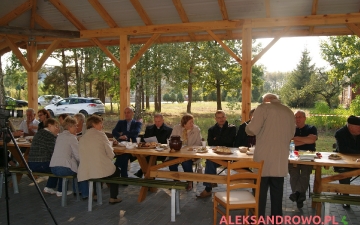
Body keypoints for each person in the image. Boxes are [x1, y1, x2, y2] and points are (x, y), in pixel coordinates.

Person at [245, 93, 295, 222]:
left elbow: (252, 130)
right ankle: (276, 220)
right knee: (277, 193)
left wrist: (247, 126)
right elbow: (291, 133)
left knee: (260, 192)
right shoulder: (288, 111)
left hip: (264, 158)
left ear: (266, 100)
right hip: (280, 159)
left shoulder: (264, 107)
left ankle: (258, 219)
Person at [77, 115, 122, 204]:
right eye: (101, 124)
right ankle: (113, 197)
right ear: (94, 124)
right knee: (116, 171)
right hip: (98, 170)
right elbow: (111, 154)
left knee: (94, 169)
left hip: (86, 171)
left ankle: (96, 194)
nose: (102, 126)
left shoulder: (82, 138)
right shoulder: (101, 135)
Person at [197, 110, 236, 198]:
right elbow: (210, 143)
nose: (221, 119)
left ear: (226, 117)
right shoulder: (211, 129)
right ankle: (209, 187)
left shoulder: (232, 128)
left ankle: (208, 187)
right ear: (215, 119)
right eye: (218, 117)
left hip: (228, 155)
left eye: (222, 117)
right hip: (216, 155)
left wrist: (217, 138)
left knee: (210, 162)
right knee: (210, 161)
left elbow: (230, 141)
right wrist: (221, 139)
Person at [50, 117, 89, 200]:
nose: (77, 128)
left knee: (77, 166)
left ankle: (77, 191)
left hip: (53, 167)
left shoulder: (59, 136)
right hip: (64, 168)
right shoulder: (72, 138)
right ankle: (85, 194)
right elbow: (78, 156)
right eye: (75, 126)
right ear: (69, 127)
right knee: (83, 168)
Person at [27, 118, 68, 195]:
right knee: (62, 167)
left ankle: (49, 187)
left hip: (32, 164)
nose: (58, 129)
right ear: (49, 126)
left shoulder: (40, 133)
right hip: (41, 164)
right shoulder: (49, 136)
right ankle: (61, 191)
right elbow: (55, 152)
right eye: (56, 126)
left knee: (55, 164)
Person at [288, 110, 317, 208]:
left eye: (300, 117)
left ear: (305, 118)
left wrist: (295, 138)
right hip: (293, 155)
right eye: (296, 117)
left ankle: (296, 194)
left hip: (308, 156)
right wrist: (306, 140)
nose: (297, 119)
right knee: (294, 173)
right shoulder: (291, 129)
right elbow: (289, 142)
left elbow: (312, 140)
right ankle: (301, 195)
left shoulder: (311, 128)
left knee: (305, 172)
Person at [169, 114, 202, 191]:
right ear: (184, 124)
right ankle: (176, 180)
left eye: (192, 122)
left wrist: (189, 149)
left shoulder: (196, 129)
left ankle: (189, 181)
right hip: (177, 152)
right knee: (171, 161)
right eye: (190, 122)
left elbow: (199, 143)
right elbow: (171, 140)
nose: (192, 124)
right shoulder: (177, 128)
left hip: (191, 154)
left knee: (186, 162)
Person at [134, 113, 172, 178]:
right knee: (144, 156)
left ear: (163, 120)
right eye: (156, 121)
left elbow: (168, 143)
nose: (157, 123)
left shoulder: (168, 130)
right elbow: (144, 139)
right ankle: (149, 177)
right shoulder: (149, 128)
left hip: (161, 152)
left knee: (150, 157)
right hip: (149, 150)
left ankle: (146, 175)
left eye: (159, 121)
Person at [334, 115, 360, 208]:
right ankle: (345, 198)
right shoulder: (340, 133)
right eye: (359, 127)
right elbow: (343, 149)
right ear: (351, 127)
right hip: (344, 162)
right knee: (344, 173)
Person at [112, 107, 142, 177]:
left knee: (125, 155)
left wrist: (123, 133)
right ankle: (124, 177)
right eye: (125, 113)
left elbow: (135, 132)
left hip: (132, 148)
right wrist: (120, 136)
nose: (126, 114)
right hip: (121, 146)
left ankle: (116, 168)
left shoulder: (137, 123)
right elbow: (114, 131)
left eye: (128, 112)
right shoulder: (120, 122)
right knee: (124, 155)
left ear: (132, 113)